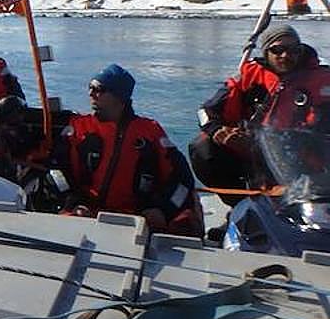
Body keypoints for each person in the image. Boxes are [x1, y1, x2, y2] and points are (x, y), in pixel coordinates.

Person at [191, 24, 330, 204]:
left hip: (303, 155)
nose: (285, 55)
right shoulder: (249, 76)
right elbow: (206, 111)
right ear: (266, 52)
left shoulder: (321, 80)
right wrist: (218, 130)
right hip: (257, 148)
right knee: (202, 148)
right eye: (277, 50)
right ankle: (241, 204)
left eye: (293, 50)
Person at [58, 65, 201, 236]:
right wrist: (72, 204)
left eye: (99, 90)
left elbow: (183, 182)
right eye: (90, 88)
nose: (91, 94)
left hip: (137, 221)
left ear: (120, 98)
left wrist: (165, 210)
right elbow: (56, 172)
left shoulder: (150, 132)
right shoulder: (78, 127)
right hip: (84, 214)